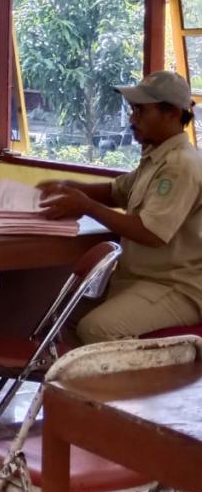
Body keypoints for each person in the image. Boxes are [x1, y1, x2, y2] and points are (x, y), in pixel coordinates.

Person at [38, 70, 202, 343]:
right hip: (140, 282)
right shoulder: (157, 158)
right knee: (61, 315)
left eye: (141, 111)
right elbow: (117, 192)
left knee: (97, 329)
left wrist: (87, 206)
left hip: (176, 287)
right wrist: (67, 187)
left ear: (172, 113)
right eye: (133, 110)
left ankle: (150, 372)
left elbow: (151, 232)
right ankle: (86, 374)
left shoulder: (179, 166)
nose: (132, 119)